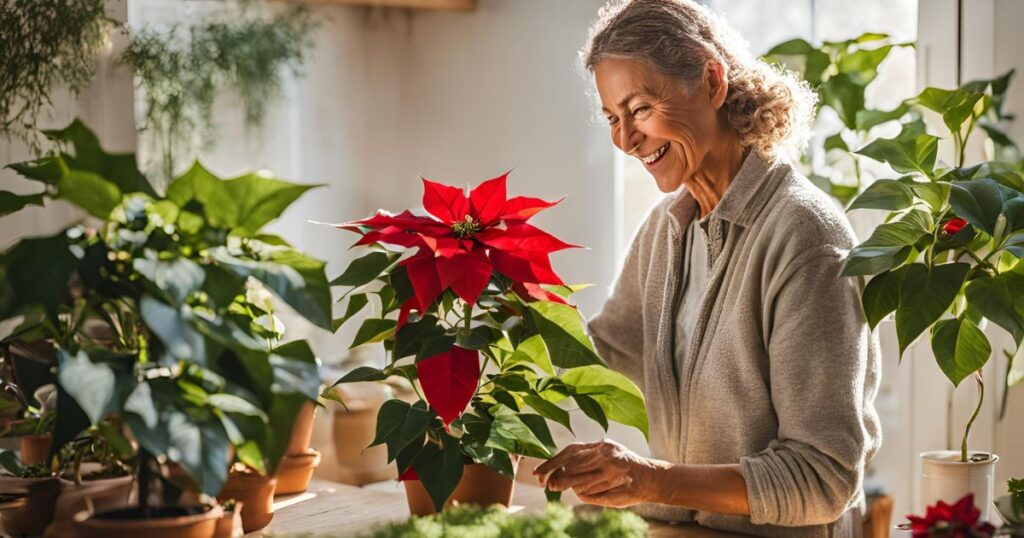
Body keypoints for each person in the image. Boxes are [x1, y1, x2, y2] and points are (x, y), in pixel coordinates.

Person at [533, 1, 882, 536]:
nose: (625, 140)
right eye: (612, 118)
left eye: (641, 108)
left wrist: (648, 479)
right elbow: (603, 362)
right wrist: (510, 311)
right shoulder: (667, 227)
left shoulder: (805, 237)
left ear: (712, 80)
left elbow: (823, 479)